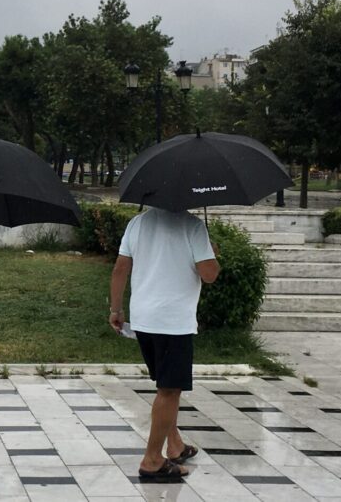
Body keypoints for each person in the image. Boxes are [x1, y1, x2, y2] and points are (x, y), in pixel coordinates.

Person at [108, 207, 220, 483]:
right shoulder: (192, 226)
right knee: (169, 391)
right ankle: (153, 460)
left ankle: (176, 446)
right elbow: (209, 274)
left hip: (144, 318)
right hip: (173, 322)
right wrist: (212, 253)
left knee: (165, 387)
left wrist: (116, 309)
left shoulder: (137, 223)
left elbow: (121, 267)